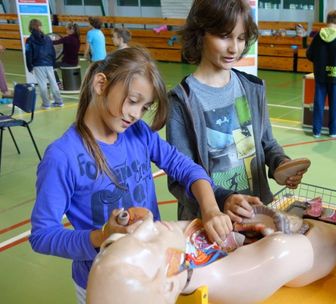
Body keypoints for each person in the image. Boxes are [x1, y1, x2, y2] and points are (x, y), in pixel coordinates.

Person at [29, 47, 233, 304]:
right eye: (133, 101)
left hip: (154, 271)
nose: (136, 114)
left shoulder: (139, 133)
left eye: (145, 107)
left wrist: (211, 209)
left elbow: (188, 169)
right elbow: (42, 236)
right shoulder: (62, 156)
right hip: (105, 285)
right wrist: (103, 236)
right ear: (101, 84)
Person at [167, 0, 307, 222]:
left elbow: (266, 142)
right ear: (200, 34)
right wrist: (221, 201)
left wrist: (280, 164)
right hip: (211, 221)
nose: (234, 48)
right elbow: (180, 175)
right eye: (224, 36)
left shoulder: (251, 89)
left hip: (257, 212)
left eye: (241, 38)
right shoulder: (182, 100)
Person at [86, 207, 336, 304]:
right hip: (323, 245)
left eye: (127, 237)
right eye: (149, 241)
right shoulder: (227, 278)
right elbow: (335, 241)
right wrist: (284, 229)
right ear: (167, 285)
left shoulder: (174, 253)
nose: (148, 223)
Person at [306, 10, 336, 138]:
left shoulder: (318, 35)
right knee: (334, 105)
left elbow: (309, 54)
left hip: (320, 75)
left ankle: (316, 131)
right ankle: (333, 131)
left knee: (319, 104)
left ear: (327, 21)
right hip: (335, 76)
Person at [25, 19, 63, 108]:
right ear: (40, 26)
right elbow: (53, 52)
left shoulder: (29, 40)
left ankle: (46, 104)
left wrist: (29, 66)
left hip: (38, 64)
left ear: (30, 27)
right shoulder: (48, 38)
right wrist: (53, 63)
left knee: (42, 84)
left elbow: (28, 53)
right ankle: (59, 101)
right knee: (53, 83)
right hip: (49, 63)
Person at [52, 22, 81, 89]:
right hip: (75, 62)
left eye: (67, 29)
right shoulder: (78, 39)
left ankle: (58, 83)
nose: (66, 31)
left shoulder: (67, 39)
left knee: (51, 65)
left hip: (67, 63)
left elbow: (55, 42)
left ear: (71, 30)